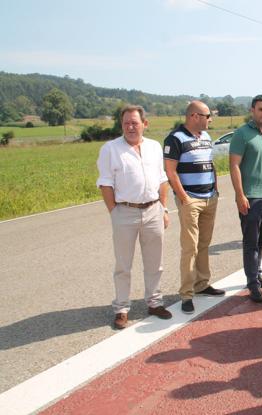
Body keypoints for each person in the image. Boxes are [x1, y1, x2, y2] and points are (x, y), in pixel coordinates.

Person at [96, 105, 172, 329]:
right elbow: (106, 184)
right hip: (124, 212)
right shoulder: (110, 149)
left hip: (153, 210)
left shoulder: (154, 147)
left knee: (155, 262)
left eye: (135, 123)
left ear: (144, 124)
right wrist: (115, 212)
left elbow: (162, 179)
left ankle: (154, 302)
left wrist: (163, 209)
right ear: (121, 125)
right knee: (123, 265)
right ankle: (121, 308)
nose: (130, 127)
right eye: (126, 123)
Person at [163, 101, 225, 315]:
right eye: (207, 116)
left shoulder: (206, 138)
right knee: (190, 247)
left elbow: (210, 164)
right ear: (194, 116)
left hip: (210, 198)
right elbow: (170, 172)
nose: (210, 120)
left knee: (205, 244)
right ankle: (187, 294)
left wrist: (215, 189)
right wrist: (184, 198)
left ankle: (202, 284)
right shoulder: (175, 138)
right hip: (190, 199)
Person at [229, 94, 262, 303]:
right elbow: (234, 165)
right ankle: (253, 284)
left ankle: (257, 274)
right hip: (250, 197)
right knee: (251, 241)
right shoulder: (241, 134)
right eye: (261, 109)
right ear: (252, 110)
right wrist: (240, 195)